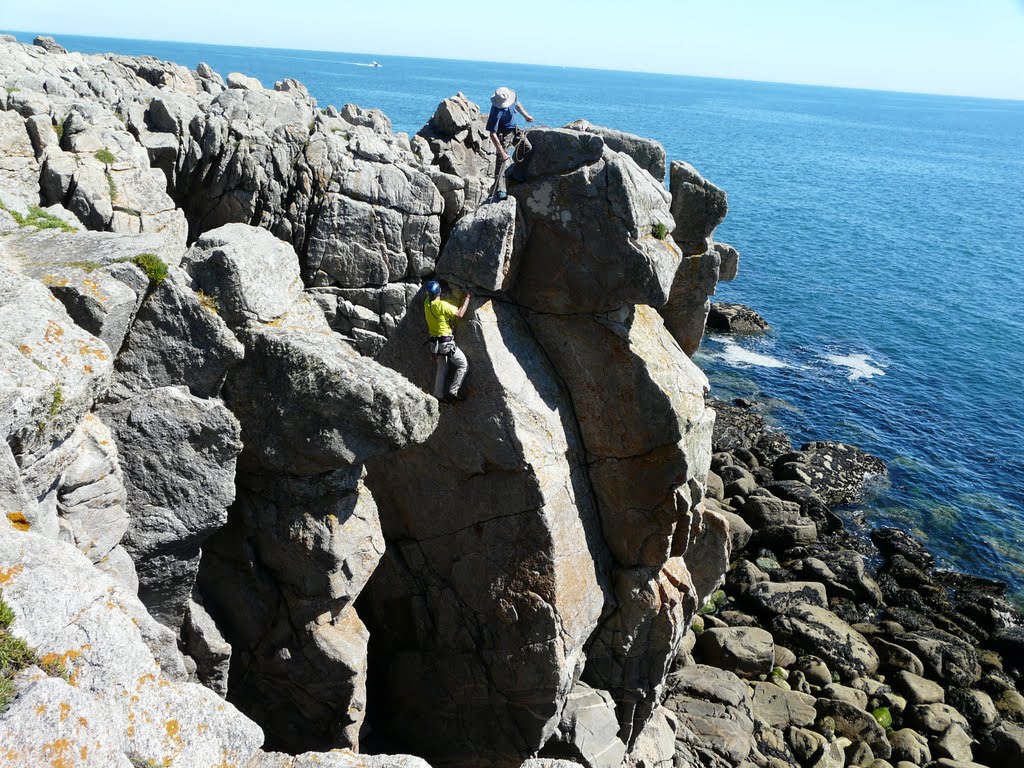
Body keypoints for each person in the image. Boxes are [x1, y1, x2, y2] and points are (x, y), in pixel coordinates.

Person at [423, 280, 472, 402]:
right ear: (439, 292)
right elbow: (460, 314)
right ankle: (453, 391)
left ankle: (438, 395)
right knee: (463, 365)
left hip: (435, 345)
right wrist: (467, 299)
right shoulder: (442, 306)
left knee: (442, 368)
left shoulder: (426, 303)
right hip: (446, 344)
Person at [486, 86, 534, 201]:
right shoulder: (496, 111)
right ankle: (500, 190)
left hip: (515, 130)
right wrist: (502, 152)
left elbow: (517, 104)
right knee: (501, 162)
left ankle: (516, 173)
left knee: (528, 148)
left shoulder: (512, 97)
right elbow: (492, 134)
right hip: (503, 135)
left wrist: (526, 115)